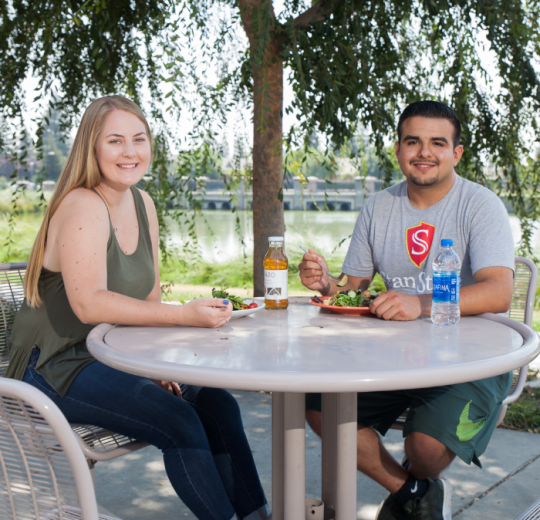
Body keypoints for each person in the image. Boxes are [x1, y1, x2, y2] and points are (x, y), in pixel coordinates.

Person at [6, 95, 271, 520]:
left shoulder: (143, 203)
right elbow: (90, 303)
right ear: (92, 148)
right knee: (178, 421)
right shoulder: (82, 204)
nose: (130, 152)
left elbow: (147, 298)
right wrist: (185, 314)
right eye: (115, 141)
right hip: (53, 365)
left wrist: (155, 364)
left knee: (218, 405)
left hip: (108, 354)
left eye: (139, 139)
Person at [299, 101, 515, 520]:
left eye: (438, 142)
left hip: (471, 359)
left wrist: (419, 304)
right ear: (398, 149)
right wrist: (327, 285)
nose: (424, 152)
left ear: (457, 153)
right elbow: (353, 290)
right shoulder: (378, 207)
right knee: (320, 409)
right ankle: (413, 492)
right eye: (413, 141)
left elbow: (497, 293)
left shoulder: (480, 204)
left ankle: (420, 481)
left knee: (426, 449)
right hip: (394, 355)